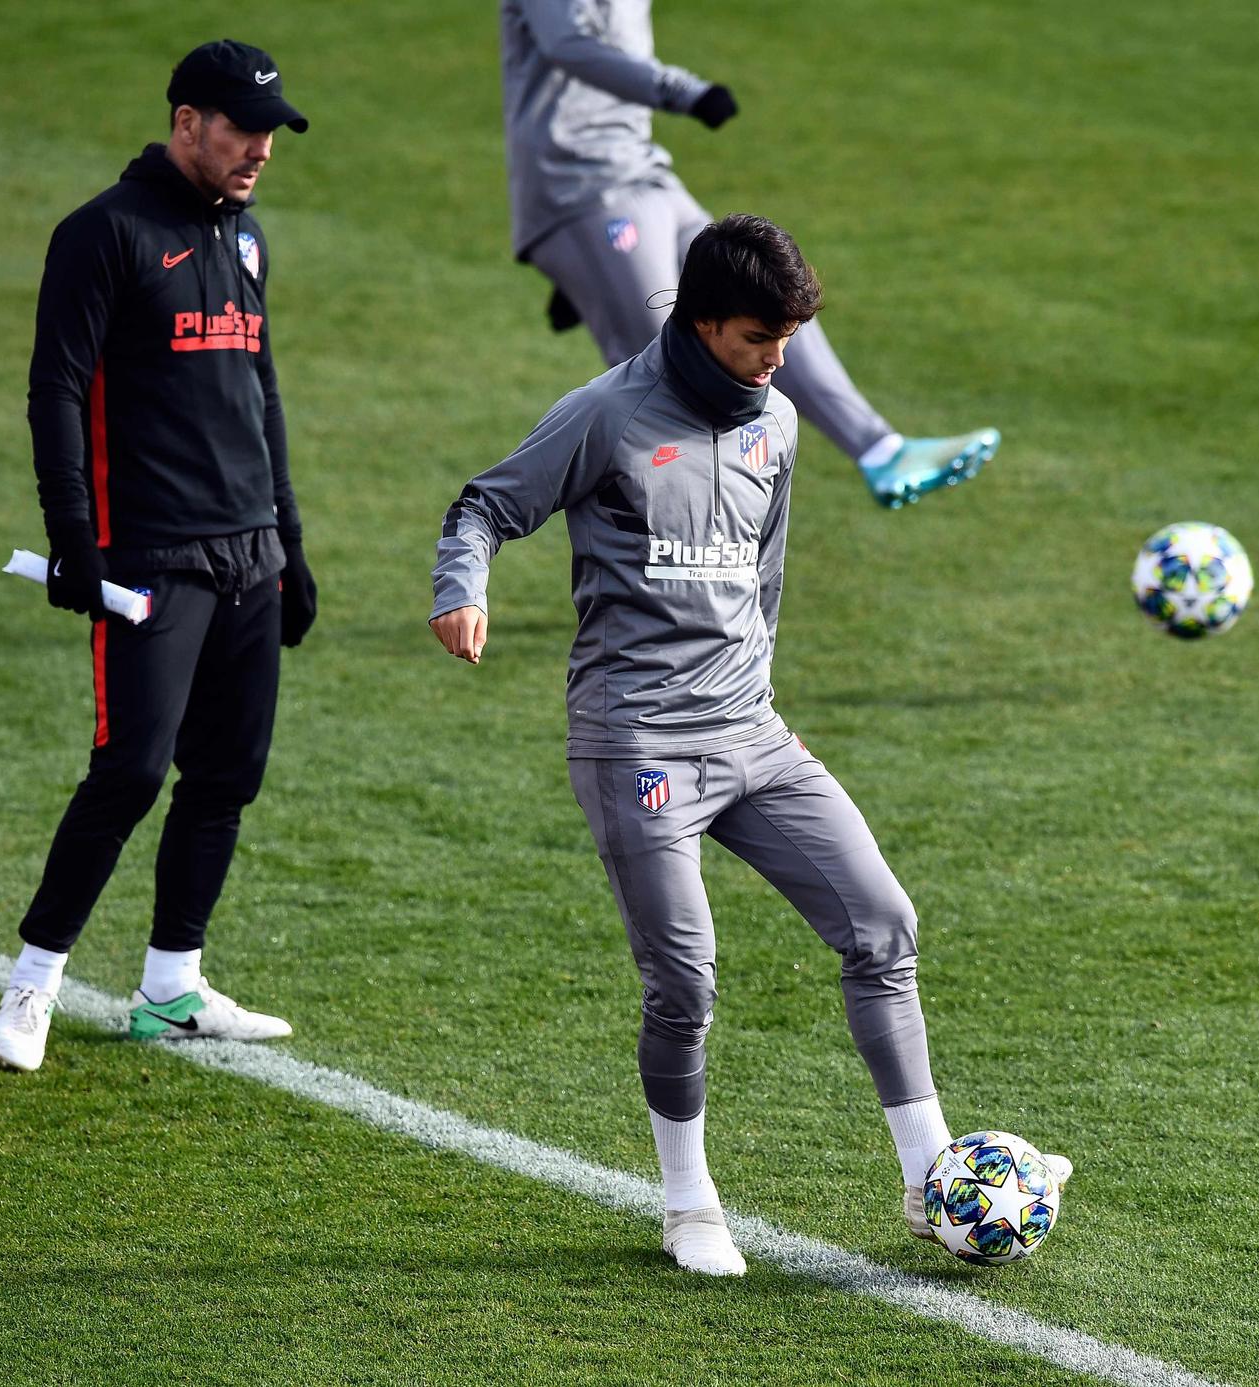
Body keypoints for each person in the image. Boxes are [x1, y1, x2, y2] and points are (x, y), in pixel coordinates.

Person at [430, 215, 1066, 1273]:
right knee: (683, 981)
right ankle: (687, 1202)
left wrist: (754, 703)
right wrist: (463, 590)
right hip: (636, 741)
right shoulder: (606, 416)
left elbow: (761, 578)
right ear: (702, 321)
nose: (777, 361)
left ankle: (925, 1179)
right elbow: (484, 504)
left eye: (789, 340)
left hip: (749, 731)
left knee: (881, 923)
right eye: (758, 339)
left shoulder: (774, 424)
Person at [0, 40, 318, 1073]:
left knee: (227, 773)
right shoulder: (102, 235)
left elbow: (257, 392)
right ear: (186, 122)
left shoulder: (246, 239)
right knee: (129, 769)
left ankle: (172, 986)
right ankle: (32, 983)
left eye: (268, 131)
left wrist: (290, 544)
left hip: (246, 553)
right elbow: (54, 390)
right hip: (150, 561)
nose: (260, 149)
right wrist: (72, 545)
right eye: (240, 129)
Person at [500, 0, 1000, 510]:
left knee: (763, 293)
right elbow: (570, 45)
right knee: (662, 369)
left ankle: (881, 450)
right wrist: (682, 92)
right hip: (578, 190)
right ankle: (655, 527)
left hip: (645, 171)